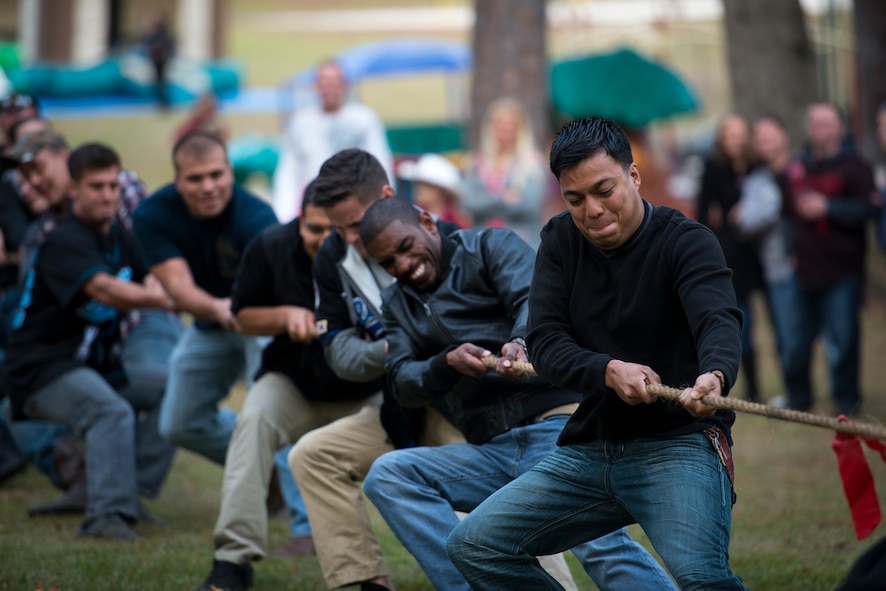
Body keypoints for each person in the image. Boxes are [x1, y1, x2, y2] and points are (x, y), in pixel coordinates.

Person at [447, 116, 748, 590]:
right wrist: (608, 370)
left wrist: (714, 374)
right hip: (591, 447)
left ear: (633, 175)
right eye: (575, 198)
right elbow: (544, 342)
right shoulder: (560, 240)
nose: (591, 209)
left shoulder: (687, 241)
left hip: (680, 442)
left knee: (702, 579)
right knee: (474, 545)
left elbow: (718, 319)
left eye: (604, 189)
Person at [358, 197, 675, 591]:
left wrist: (520, 342)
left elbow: (535, 304)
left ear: (427, 221)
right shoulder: (395, 304)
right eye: (388, 263)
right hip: (488, 449)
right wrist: (445, 364)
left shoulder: (491, 246)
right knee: (388, 475)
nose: (403, 265)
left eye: (405, 247)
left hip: (554, 430)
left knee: (598, 546)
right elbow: (402, 381)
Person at [288, 149, 467, 591]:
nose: (349, 237)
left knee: (501, 503)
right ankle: (362, 581)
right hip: (398, 409)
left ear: (388, 196)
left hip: (467, 407)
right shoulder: (331, 258)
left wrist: (413, 350)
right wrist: (399, 346)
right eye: (337, 228)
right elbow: (340, 355)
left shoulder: (444, 238)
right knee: (312, 455)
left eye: (354, 224)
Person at [197, 182, 381, 590]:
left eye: (332, 230)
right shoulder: (270, 246)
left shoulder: (372, 250)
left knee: (429, 442)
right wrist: (284, 316)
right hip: (293, 381)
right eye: (313, 228)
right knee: (253, 422)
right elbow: (241, 317)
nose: (323, 239)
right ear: (299, 221)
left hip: (368, 388)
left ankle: (451, 557)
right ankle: (232, 562)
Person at [2, 142, 178, 541]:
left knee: (174, 385)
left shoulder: (117, 234)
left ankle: (128, 494)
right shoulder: (63, 240)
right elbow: (106, 290)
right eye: (96, 186)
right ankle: (105, 517)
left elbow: (150, 273)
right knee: (109, 411)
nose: (107, 195)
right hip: (40, 370)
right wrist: (167, 298)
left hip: (91, 365)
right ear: (74, 190)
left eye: (113, 186)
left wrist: (168, 286)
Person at [131, 130, 277, 465]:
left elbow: (270, 292)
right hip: (209, 320)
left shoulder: (258, 218)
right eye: (195, 179)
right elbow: (179, 289)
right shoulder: (152, 215)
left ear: (229, 170)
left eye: (216, 175)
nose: (208, 187)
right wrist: (218, 309)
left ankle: (300, 515)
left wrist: (240, 313)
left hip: (262, 319)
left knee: (270, 411)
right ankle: (265, 464)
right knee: (178, 424)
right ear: (177, 180)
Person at [781, 102, 875, 416]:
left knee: (843, 339)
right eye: (815, 123)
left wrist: (828, 208)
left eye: (827, 123)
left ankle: (847, 401)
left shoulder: (856, 167)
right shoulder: (797, 167)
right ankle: (799, 398)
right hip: (803, 269)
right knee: (795, 341)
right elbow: (786, 214)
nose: (820, 129)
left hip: (842, 271)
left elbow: (868, 210)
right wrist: (789, 251)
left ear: (840, 128)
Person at [696, 113, 765, 402]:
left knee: (762, 325)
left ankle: (759, 385)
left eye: (740, 135)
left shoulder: (757, 166)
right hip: (730, 258)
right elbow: (704, 210)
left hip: (758, 256)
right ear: (722, 139)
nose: (736, 140)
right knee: (741, 323)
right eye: (730, 135)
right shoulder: (714, 167)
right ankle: (745, 387)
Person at [272, 60, 393, 222]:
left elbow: (380, 163)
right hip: (314, 206)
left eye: (334, 82)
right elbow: (289, 170)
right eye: (324, 83)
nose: (329, 88)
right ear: (316, 86)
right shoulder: (301, 123)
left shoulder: (363, 120)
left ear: (345, 85)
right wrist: (284, 212)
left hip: (353, 207)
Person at [460, 97, 549, 249]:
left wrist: (486, 200)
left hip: (521, 245)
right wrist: (504, 198)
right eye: (500, 124)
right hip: (483, 246)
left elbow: (530, 205)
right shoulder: (475, 163)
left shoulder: (531, 163)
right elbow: (468, 202)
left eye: (510, 125)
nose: (504, 129)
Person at [396, 153, 468, 228]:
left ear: (440, 191)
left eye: (425, 186)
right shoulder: (410, 215)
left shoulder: (457, 221)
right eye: (418, 184)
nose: (418, 189)